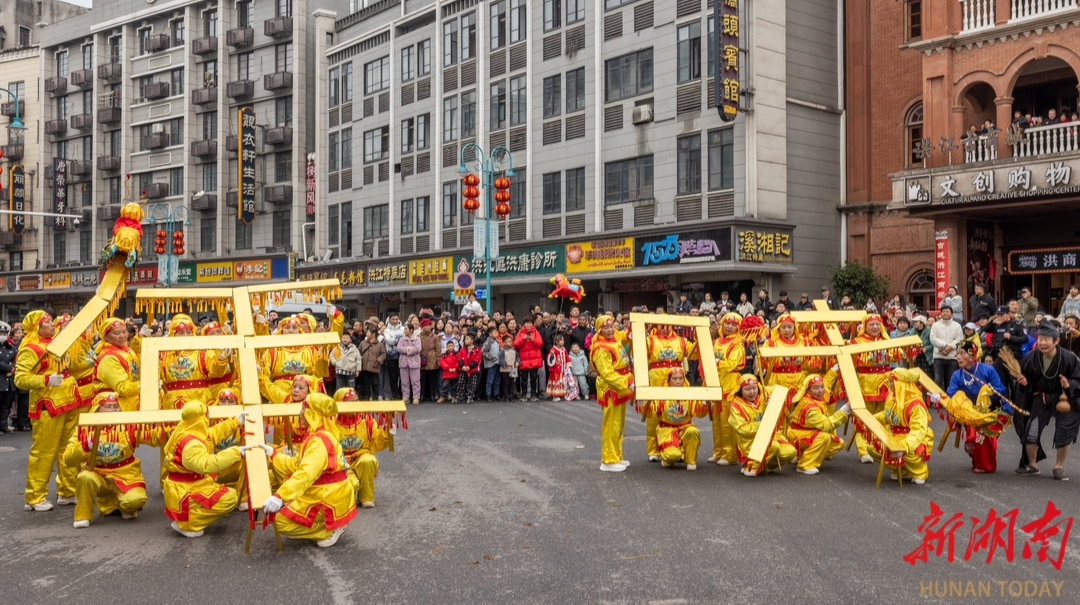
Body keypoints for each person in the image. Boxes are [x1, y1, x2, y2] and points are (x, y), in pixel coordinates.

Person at [260, 393, 358, 547]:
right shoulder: (317, 435)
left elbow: (305, 474)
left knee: (280, 522)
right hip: (322, 491)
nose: (300, 413)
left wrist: (279, 496)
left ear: (311, 413)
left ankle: (328, 530)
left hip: (327, 496)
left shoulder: (318, 440)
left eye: (303, 409)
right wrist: (273, 454)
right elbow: (296, 465)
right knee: (287, 514)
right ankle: (316, 526)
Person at [15, 311, 83, 511]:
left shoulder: (58, 343)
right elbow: (20, 378)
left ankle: (67, 491)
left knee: (68, 449)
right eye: (47, 322)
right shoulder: (30, 348)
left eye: (51, 321)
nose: (52, 324)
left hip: (69, 401)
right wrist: (45, 380)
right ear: (36, 326)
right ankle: (34, 496)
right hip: (48, 406)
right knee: (43, 452)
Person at [61, 392, 148, 528]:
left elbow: (153, 435)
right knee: (85, 477)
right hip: (97, 474)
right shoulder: (84, 429)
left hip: (126, 475)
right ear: (97, 409)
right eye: (107, 407)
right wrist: (84, 446)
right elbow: (68, 460)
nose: (113, 410)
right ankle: (83, 516)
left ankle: (125, 508)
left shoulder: (129, 426)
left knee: (136, 500)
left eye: (116, 406)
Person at [162, 399, 244, 537]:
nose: (209, 416)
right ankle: (188, 523)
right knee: (230, 499)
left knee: (225, 492)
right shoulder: (191, 444)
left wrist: (234, 422)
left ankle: (188, 517)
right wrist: (236, 452)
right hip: (186, 488)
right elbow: (207, 464)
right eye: (206, 413)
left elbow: (212, 434)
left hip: (190, 483)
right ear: (201, 418)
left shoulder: (188, 429)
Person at [1013, 321, 1080, 480]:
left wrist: (1069, 384)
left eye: (1046, 339)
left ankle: (1059, 466)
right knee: (1031, 432)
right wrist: (1023, 381)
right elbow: (1025, 379)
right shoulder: (1031, 357)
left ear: (1056, 341)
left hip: (1065, 399)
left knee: (1065, 432)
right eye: (1040, 339)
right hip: (1041, 397)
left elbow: (1078, 379)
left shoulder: (1069, 358)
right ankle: (1032, 465)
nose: (1042, 343)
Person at [940, 341, 1010, 473]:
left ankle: (986, 466)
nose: (958, 357)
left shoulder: (987, 370)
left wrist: (989, 391)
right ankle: (979, 461)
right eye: (957, 354)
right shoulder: (957, 375)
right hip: (971, 414)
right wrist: (941, 399)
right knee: (972, 440)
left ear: (973, 355)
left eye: (962, 353)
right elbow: (951, 394)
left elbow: (1001, 390)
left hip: (993, 411)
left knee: (982, 435)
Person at [848, 314, 901, 463]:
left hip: (886, 382)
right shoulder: (857, 342)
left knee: (885, 416)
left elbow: (894, 356)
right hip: (866, 383)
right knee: (864, 416)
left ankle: (879, 446)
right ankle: (863, 450)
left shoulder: (886, 341)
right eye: (871, 324)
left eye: (877, 324)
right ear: (865, 326)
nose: (875, 327)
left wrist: (900, 352)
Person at [867, 369, 935, 485]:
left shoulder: (915, 404)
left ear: (900, 384)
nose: (888, 384)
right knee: (873, 449)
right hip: (893, 437)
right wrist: (870, 419)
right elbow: (887, 415)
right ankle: (901, 469)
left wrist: (905, 446)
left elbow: (918, 430)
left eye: (891, 381)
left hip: (913, 439)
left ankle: (919, 471)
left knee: (907, 452)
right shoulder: (891, 397)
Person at [333, 388, 391, 509]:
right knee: (350, 485)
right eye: (351, 402)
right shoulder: (331, 423)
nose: (356, 404)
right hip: (340, 461)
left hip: (361, 457)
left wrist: (386, 432)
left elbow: (376, 443)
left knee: (368, 461)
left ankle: (366, 497)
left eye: (356, 400)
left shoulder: (366, 420)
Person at [644, 321, 694, 461]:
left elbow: (694, 353)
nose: (665, 328)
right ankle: (653, 450)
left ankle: (680, 448)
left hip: (677, 378)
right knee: (654, 413)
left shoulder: (681, 341)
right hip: (656, 379)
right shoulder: (650, 340)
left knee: (680, 411)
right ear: (656, 326)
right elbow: (638, 350)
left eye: (668, 325)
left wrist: (700, 339)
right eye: (661, 325)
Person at [159, 314, 231, 411]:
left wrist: (220, 360)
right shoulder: (164, 354)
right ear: (173, 334)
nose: (185, 336)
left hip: (199, 401)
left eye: (188, 332)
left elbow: (215, 372)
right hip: (172, 404)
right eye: (181, 333)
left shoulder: (202, 352)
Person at [729, 375, 797, 477]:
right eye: (747, 389)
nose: (752, 392)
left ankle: (765, 465)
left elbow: (780, 390)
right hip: (750, 439)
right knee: (773, 446)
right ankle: (750, 467)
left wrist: (774, 399)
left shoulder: (764, 393)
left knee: (790, 452)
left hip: (773, 435)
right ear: (740, 390)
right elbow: (742, 429)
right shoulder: (736, 406)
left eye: (754, 388)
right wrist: (764, 424)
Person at [591, 315, 633, 472]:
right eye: (605, 328)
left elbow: (622, 335)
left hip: (620, 388)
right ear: (599, 330)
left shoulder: (614, 338)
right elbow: (607, 374)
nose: (609, 330)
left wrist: (630, 332)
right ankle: (608, 460)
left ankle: (616, 456)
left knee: (618, 425)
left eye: (611, 326)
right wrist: (627, 383)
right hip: (611, 389)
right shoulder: (601, 348)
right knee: (610, 425)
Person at [786, 373, 851, 475]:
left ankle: (804, 455)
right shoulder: (810, 407)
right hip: (798, 435)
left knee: (838, 444)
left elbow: (827, 383)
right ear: (807, 390)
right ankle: (805, 465)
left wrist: (834, 370)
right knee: (824, 437)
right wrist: (844, 411)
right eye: (816, 388)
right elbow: (826, 425)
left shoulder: (815, 397)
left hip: (808, 432)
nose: (821, 390)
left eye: (822, 387)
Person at [705, 313, 746, 465]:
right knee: (716, 421)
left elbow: (731, 364)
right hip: (716, 382)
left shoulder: (738, 343)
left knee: (727, 422)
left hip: (730, 384)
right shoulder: (716, 342)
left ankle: (729, 455)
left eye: (733, 325)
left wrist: (716, 362)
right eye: (727, 323)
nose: (729, 326)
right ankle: (718, 451)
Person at [649, 368, 708, 470]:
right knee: (672, 456)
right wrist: (644, 403)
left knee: (693, 431)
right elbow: (650, 413)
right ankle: (670, 455)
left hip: (685, 427)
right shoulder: (661, 395)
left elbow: (699, 413)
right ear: (669, 380)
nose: (678, 381)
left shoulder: (689, 395)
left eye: (681, 378)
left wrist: (704, 404)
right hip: (667, 430)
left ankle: (691, 461)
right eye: (675, 378)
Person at [91, 318, 142, 412]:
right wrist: (146, 385)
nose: (122, 336)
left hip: (133, 402)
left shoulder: (128, 350)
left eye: (124, 332)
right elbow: (123, 388)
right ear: (106, 337)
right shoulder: (108, 359)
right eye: (117, 333)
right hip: (115, 407)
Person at [989, 305, 1027, 398]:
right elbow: (985, 329)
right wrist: (992, 323)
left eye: (1002, 314)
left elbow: (1025, 338)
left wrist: (1011, 337)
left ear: (1008, 314)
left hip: (1012, 358)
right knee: (1000, 383)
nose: (1000, 317)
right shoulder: (997, 325)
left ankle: (1016, 404)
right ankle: (1004, 404)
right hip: (999, 357)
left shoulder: (1017, 325)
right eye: (998, 315)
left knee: (1014, 385)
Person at [930, 304, 963, 389]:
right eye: (943, 311)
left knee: (951, 381)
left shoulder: (957, 325)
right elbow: (933, 339)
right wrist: (944, 345)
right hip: (938, 356)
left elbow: (960, 339)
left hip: (952, 357)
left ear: (952, 314)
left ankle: (950, 396)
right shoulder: (935, 325)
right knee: (938, 380)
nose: (945, 313)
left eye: (947, 311)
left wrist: (950, 347)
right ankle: (938, 397)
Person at [514, 316, 543, 401]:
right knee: (524, 379)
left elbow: (540, 343)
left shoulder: (536, 332)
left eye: (530, 323)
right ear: (524, 324)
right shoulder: (520, 333)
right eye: (527, 323)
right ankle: (524, 395)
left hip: (534, 359)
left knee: (534, 378)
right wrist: (523, 339)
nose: (528, 325)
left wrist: (532, 340)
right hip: (524, 359)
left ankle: (534, 395)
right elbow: (516, 344)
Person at [357, 328, 385, 401]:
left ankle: (375, 398)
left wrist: (378, 360)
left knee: (375, 384)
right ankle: (366, 399)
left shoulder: (380, 344)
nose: (366, 334)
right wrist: (359, 356)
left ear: (373, 334)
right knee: (365, 384)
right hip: (365, 367)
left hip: (374, 367)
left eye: (368, 332)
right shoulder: (363, 343)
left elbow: (383, 354)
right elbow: (358, 351)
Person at [396, 323, 422, 405]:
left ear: (411, 330)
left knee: (415, 381)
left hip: (414, 363)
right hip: (404, 363)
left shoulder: (417, 339)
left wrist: (407, 352)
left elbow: (417, 348)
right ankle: (405, 397)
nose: (405, 330)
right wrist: (408, 348)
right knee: (404, 382)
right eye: (404, 329)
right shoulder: (401, 339)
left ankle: (416, 397)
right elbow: (399, 348)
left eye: (406, 329)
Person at [381, 314, 404, 401]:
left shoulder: (403, 329)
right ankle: (395, 395)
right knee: (393, 377)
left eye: (396, 319)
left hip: (402, 355)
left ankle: (402, 393)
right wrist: (399, 338)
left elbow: (404, 339)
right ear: (389, 320)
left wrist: (394, 337)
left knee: (402, 376)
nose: (395, 321)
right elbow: (389, 341)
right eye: (393, 319)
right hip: (391, 356)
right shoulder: (386, 330)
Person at [418, 319, 441, 403]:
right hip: (422, 358)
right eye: (426, 325)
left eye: (429, 325)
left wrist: (438, 359)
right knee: (422, 379)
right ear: (422, 327)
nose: (428, 327)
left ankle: (432, 395)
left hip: (432, 359)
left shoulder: (434, 336)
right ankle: (422, 395)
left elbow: (438, 349)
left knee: (432, 378)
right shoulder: (418, 336)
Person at [456, 332, 481, 404]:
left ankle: (470, 396)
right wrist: (462, 366)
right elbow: (459, 357)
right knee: (461, 383)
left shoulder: (477, 349)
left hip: (472, 369)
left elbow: (477, 360)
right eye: (465, 339)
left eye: (467, 339)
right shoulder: (463, 348)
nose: (465, 340)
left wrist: (469, 367)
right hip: (463, 368)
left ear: (472, 340)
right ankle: (459, 396)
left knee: (472, 384)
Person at [0, 322, 16, 433]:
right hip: (1, 379)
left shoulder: (11, 347)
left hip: (8, 382)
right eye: (1, 333)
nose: (3, 335)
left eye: (4, 333)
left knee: (6, 405)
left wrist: (12, 369)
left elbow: (16, 360)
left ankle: (3, 426)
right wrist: (9, 368)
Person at [482, 326, 502, 402]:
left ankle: (496, 394)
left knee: (497, 380)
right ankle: (488, 394)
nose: (497, 334)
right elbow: (484, 352)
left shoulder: (497, 342)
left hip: (497, 363)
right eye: (495, 333)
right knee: (490, 380)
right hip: (491, 364)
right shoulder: (488, 342)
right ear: (490, 334)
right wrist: (491, 357)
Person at [499, 336, 518, 401]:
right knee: (505, 383)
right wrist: (506, 363)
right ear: (504, 343)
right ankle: (506, 396)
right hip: (505, 370)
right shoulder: (502, 350)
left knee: (512, 383)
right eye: (508, 341)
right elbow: (500, 360)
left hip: (512, 369)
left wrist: (517, 362)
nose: (510, 342)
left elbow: (517, 357)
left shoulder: (514, 349)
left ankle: (511, 396)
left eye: (511, 341)